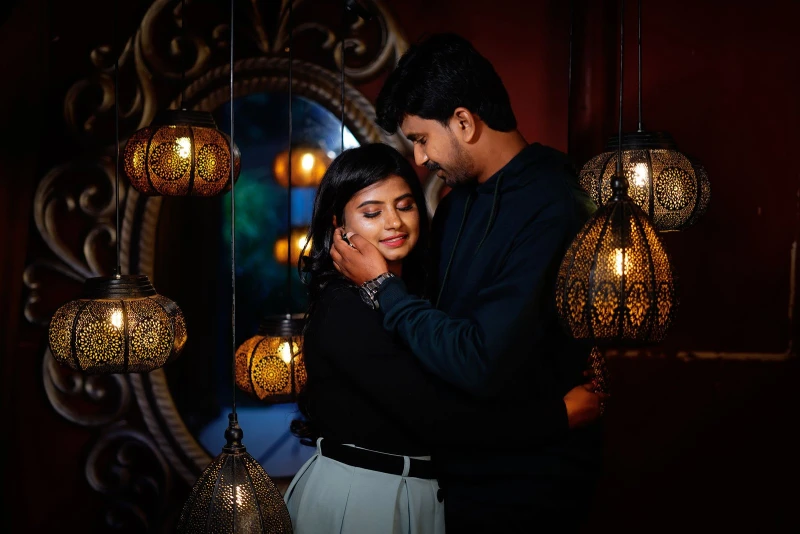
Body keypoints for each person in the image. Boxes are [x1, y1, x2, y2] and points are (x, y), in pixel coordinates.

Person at [329, 33, 603, 532]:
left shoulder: (554, 203)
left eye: (420, 138)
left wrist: (382, 288)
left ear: (463, 122)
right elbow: (426, 337)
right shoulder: (455, 204)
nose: (418, 160)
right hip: (450, 480)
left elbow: (480, 361)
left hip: (527, 489)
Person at [284, 142, 604, 534]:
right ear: (339, 226)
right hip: (362, 497)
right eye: (372, 212)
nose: (394, 224)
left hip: (419, 494)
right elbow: (442, 418)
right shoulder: (342, 309)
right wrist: (560, 415)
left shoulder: (423, 295)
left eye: (405, 206)